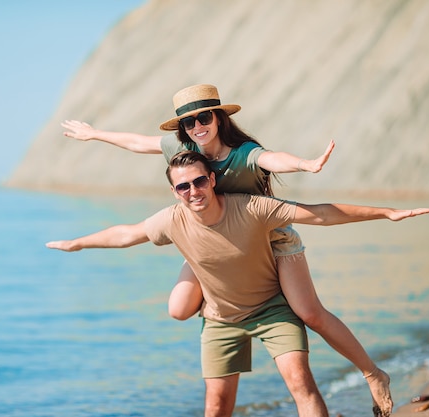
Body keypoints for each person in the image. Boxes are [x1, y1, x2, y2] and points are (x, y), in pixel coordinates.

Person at [61, 84, 392, 416]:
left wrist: (306, 165)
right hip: (211, 239)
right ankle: (225, 303)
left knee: (309, 313)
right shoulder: (184, 148)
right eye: (189, 123)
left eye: (204, 117)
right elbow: (138, 143)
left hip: (270, 238)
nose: (197, 128)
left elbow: (272, 159)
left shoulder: (242, 152)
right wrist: (94, 134)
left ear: (218, 117)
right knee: (178, 308)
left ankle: (371, 372)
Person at [46, 150, 429, 417]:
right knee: (216, 407)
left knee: (301, 384)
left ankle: (372, 374)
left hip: (271, 308)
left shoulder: (252, 209)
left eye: (199, 182)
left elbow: (321, 213)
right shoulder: (171, 220)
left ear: (212, 179)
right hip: (220, 319)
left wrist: (385, 212)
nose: (193, 192)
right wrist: (78, 243)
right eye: (183, 187)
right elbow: (126, 234)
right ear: (174, 191)